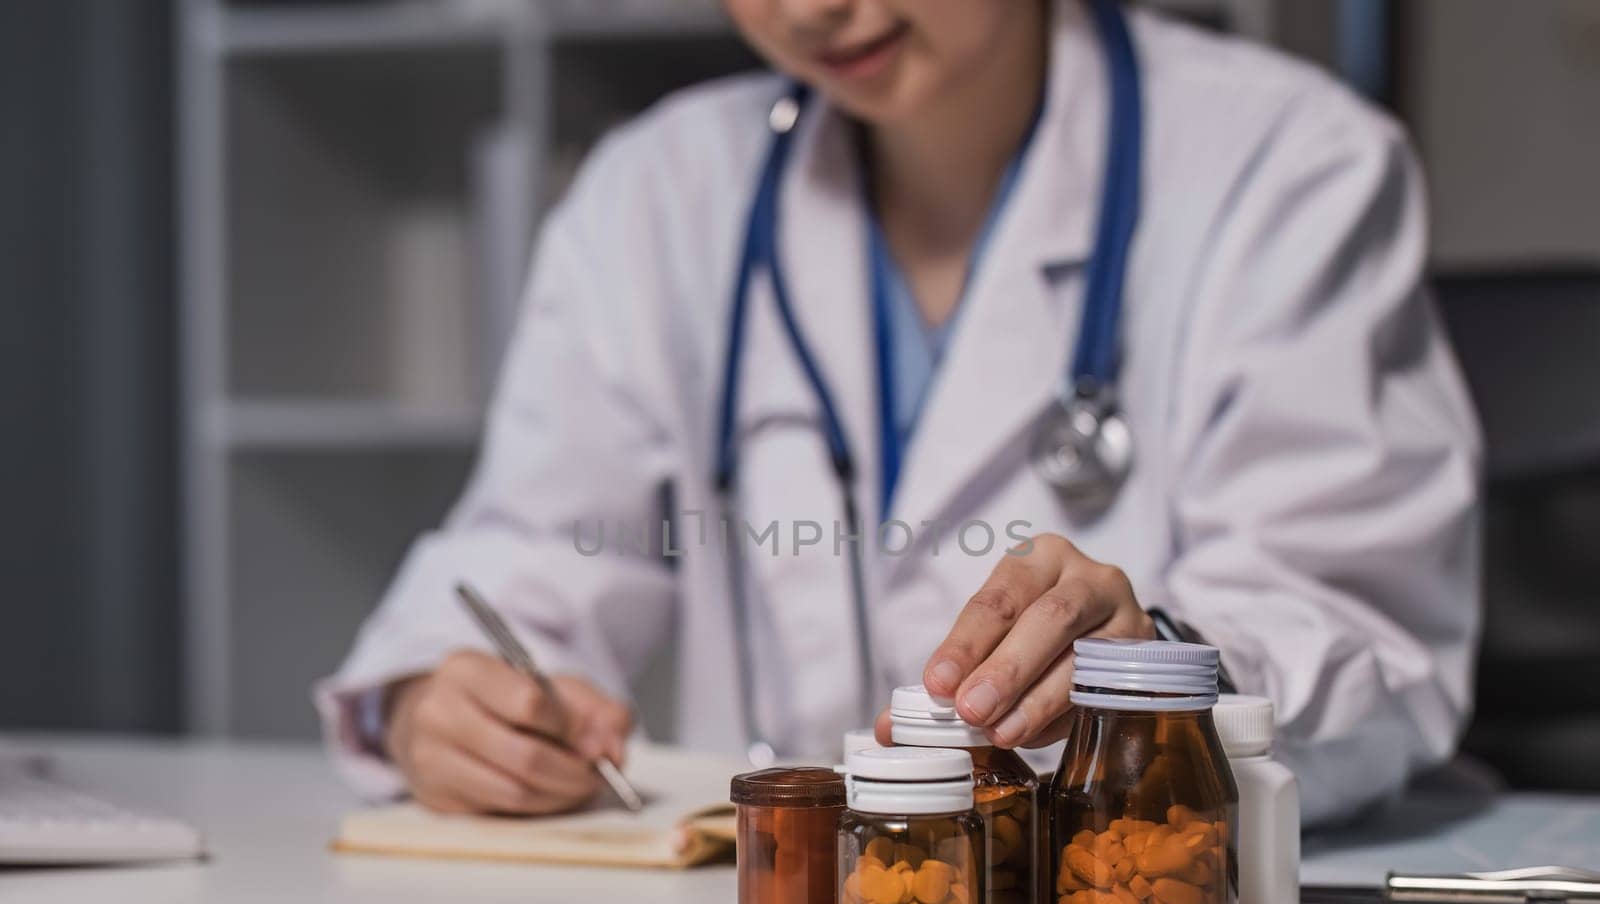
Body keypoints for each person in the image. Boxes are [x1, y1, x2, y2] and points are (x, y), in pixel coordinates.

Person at [315, 0, 1480, 826]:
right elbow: (531, 554)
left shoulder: (1286, 170)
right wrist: (445, 700)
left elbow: (1362, 627)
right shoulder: (657, 194)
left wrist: (1154, 675)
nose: (812, 8)